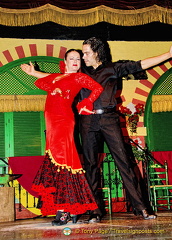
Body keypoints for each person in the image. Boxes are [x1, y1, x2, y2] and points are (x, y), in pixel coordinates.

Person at [79, 37, 172, 222]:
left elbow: (139, 65)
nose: (83, 56)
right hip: (87, 121)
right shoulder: (80, 71)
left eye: (87, 53)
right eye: (82, 53)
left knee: (124, 162)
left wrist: (169, 55)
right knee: (90, 165)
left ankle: (142, 207)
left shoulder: (112, 69)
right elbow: (59, 79)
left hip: (109, 118)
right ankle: (95, 211)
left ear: (97, 52)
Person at [20, 49, 103, 226]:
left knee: (64, 161)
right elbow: (51, 78)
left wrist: (86, 102)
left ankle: (65, 210)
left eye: (78, 59)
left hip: (63, 120)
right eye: (71, 58)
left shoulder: (79, 78)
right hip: (50, 122)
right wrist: (34, 72)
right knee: (56, 161)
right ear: (64, 61)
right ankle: (67, 208)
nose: (75, 61)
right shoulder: (57, 77)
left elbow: (98, 87)